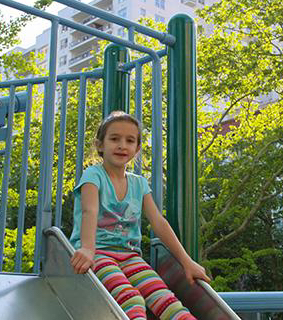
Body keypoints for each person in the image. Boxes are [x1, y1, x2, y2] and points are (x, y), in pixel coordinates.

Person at [70, 111, 210, 320]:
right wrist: (88, 249)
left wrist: (187, 262)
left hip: (130, 256)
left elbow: (159, 223)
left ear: (137, 149)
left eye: (130, 140)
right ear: (100, 145)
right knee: (132, 299)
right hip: (98, 253)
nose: (122, 145)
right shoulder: (93, 175)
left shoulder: (139, 183)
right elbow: (90, 211)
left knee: (166, 300)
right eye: (114, 139)